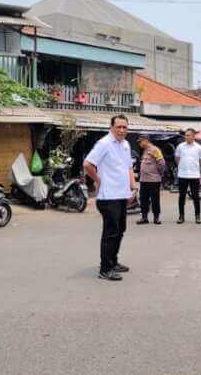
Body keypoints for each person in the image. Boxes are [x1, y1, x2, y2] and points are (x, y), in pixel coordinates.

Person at [84, 115, 136, 281]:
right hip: (108, 196)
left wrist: (132, 188)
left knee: (120, 230)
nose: (122, 130)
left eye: (124, 127)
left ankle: (113, 262)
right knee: (110, 233)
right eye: (118, 127)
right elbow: (88, 164)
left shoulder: (126, 145)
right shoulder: (104, 144)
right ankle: (105, 269)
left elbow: (128, 167)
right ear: (111, 127)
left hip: (122, 195)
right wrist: (98, 180)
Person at [175, 129, 201, 225]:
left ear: (193, 136)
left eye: (189, 135)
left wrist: (195, 168)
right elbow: (177, 158)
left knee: (196, 196)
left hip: (194, 175)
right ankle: (181, 216)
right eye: (186, 135)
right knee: (182, 196)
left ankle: (197, 216)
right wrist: (182, 167)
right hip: (183, 175)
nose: (187, 137)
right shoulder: (180, 147)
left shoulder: (199, 147)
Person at [136, 135, 166, 225]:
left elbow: (162, 163)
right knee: (143, 199)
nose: (139, 143)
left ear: (146, 141)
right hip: (144, 180)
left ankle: (156, 218)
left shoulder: (155, 150)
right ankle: (144, 217)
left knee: (155, 200)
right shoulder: (145, 151)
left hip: (154, 180)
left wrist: (158, 174)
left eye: (140, 141)